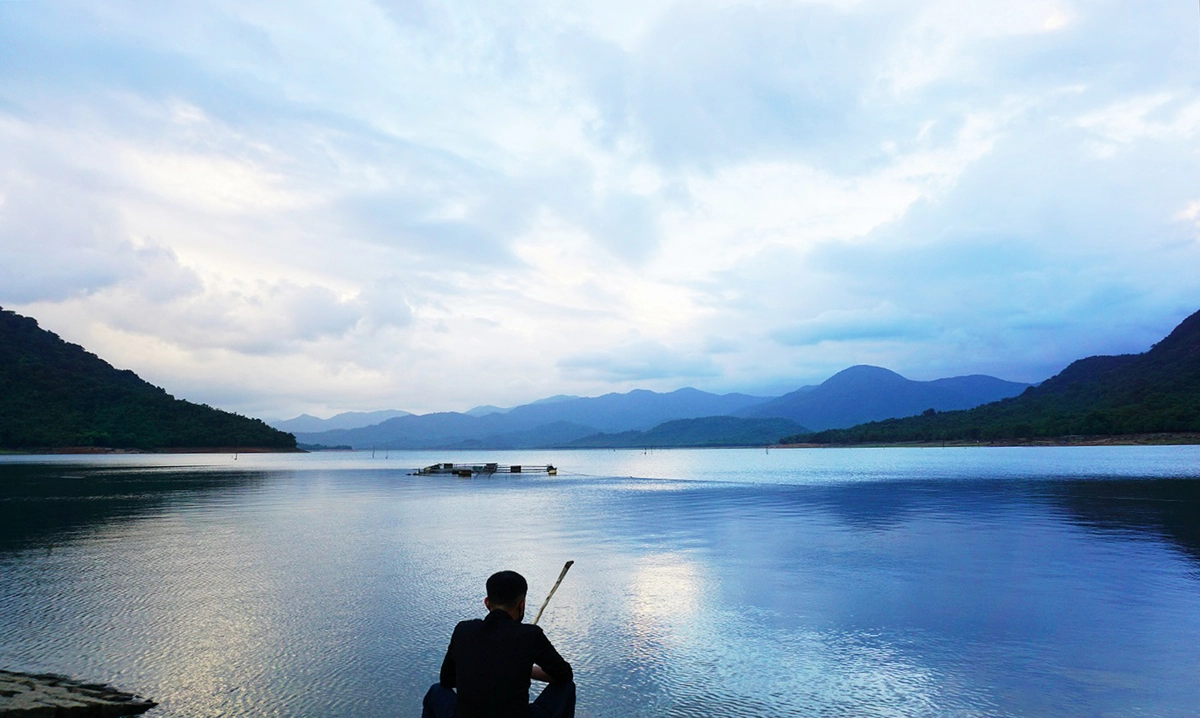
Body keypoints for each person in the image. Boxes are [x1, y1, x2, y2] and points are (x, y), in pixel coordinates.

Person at [422, 570, 575, 718]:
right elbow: (565, 676)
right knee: (566, 687)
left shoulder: (463, 630)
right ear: (522, 604)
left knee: (436, 691)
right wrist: (524, 668)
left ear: (487, 603)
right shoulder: (530, 635)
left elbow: (447, 680)